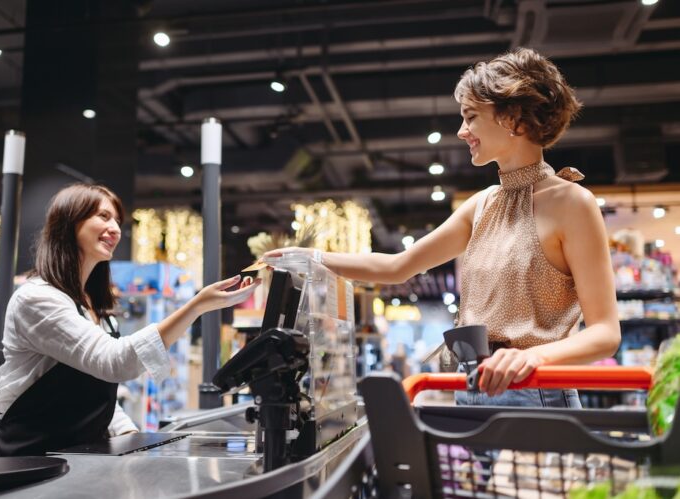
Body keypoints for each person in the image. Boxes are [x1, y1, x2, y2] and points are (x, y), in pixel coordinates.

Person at [265, 48, 620, 408]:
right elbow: (398, 266)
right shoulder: (481, 205)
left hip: (537, 391)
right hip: (471, 389)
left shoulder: (573, 203)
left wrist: (534, 357)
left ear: (513, 118)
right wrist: (311, 257)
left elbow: (606, 332)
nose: (461, 131)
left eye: (471, 117)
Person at [0, 184, 259, 456]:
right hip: (32, 458)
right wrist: (196, 306)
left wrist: (128, 433)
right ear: (70, 222)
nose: (116, 229)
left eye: (117, 221)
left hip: (80, 455)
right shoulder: (37, 299)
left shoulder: (94, 305)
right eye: (103, 216)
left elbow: (94, 389)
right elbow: (115, 363)